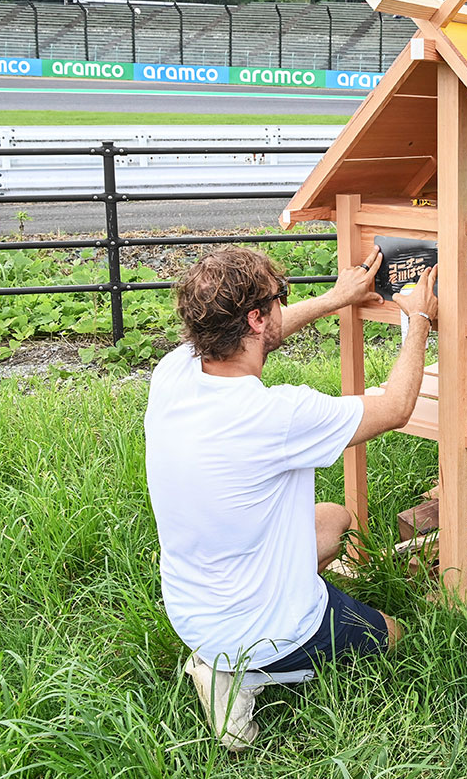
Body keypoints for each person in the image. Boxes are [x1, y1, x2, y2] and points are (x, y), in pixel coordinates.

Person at [145, 244, 438, 749]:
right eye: (281, 298)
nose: (285, 306)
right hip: (266, 628)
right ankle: (244, 675)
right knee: (395, 636)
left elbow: (263, 334)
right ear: (257, 319)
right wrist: (419, 321)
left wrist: (335, 298)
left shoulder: (173, 372)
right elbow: (395, 408)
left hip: (190, 607)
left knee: (335, 518)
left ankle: (218, 656)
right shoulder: (277, 416)